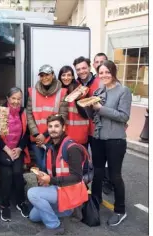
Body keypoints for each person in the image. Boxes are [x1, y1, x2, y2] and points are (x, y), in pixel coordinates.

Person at [85, 60, 132, 226]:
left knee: (114, 176)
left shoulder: (123, 91)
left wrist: (100, 108)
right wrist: (87, 106)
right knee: (97, 173)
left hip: (115, 140)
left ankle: (120, 210)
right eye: (101, 72)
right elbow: (93, 116)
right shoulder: (99, 90)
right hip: (98, 138)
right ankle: (95, 202)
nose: (104, 75)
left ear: (113, 72)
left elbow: (123, 116)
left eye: (107, 72)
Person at [27, 114, 88, 236]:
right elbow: (54, 171)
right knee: (33, 216)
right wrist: (44, 177)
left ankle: (55, 226)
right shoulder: (51, 147)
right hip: (59, 189)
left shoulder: (72, 148)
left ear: (63, 128)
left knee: (32, 193)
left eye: (56, 126)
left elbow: (77, 177)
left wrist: (50, 180)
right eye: (50, 126)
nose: (53, 129)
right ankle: (69, 210)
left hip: (70, 191)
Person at [0, 87, 31, 222]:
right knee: (7, 173)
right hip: (3, 149)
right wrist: (6, 149)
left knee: (17, 173)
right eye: (13, 98)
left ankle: (20, 202)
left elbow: (26, 134)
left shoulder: (23, 113)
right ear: (8, 99)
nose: (16, 101)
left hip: (17, 149)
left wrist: (20, 149)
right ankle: (4, 205)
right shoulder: (1, 112)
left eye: (19, 98)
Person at [26, 64, 68, 171]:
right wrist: (36, 134)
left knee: (49, 167)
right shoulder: (33, 92)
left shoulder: (62, 92)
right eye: (42, 75)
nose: (45, 78)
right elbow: (29, 115)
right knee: (41, 167)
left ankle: (52, 187)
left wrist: (45, 135)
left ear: (53, 75)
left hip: (53, 138)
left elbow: (62, 117)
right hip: (37, 139)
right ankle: (42, 187)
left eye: (47, 75)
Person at [92, 52, 114, 195]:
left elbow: (122, 114)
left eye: (102, 61)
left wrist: (100, 108)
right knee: (98, 165)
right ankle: (96, 195)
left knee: (111, 165)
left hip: (111, 132)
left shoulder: (117, 87)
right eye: (97, 62)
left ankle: (109, 182)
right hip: (96, 131)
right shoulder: (95, 84)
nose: (99, 64)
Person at [57, 66, 89, 146]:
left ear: (73, 77)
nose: (66, 78)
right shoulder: (58, 91)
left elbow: (86, 114)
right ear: (60, 77)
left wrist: (77, 98)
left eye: (69, 75)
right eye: (63, 75)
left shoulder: (79, 90)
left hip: (78, 134)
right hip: (63, 134)